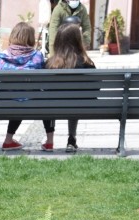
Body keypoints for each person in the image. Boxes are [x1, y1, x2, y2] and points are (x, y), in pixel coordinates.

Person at [0, 22, 50, 151]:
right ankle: (50, 141)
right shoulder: (37, 57)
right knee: (39, 100)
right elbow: (44, 82)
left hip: (4, 102)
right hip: (31, 102)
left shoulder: (1, 57)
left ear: (13, 37)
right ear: (30, 38)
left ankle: (8, 140)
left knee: (17, 97)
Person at [43, 23, 96, 152]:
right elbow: (94, 90)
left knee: (48, 101)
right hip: (79, 106)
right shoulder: (86, 63)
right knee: (75, 101)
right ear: (78, 41)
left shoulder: (50, 64)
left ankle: (50, 140)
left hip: (54, 106)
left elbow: (44, 90)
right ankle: (71, 139)